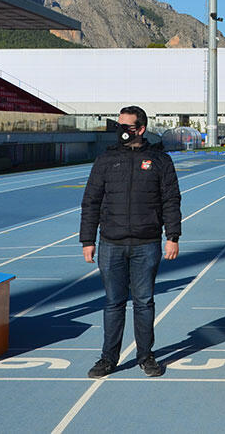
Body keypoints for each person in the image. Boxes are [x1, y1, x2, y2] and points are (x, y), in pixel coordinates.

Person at [80, 106, 182, 378]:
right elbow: (91, 201)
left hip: (146, 243)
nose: (121, 131)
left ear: (140, 129)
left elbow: (171, 200)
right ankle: (108, 359)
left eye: (126, 126)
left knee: (144, 303)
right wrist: (87, 239)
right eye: (119, 126)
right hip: (110, 244)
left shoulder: (160, 161)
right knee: (113, 303)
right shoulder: (105, 160)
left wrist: (172, 236)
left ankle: (146, 356)